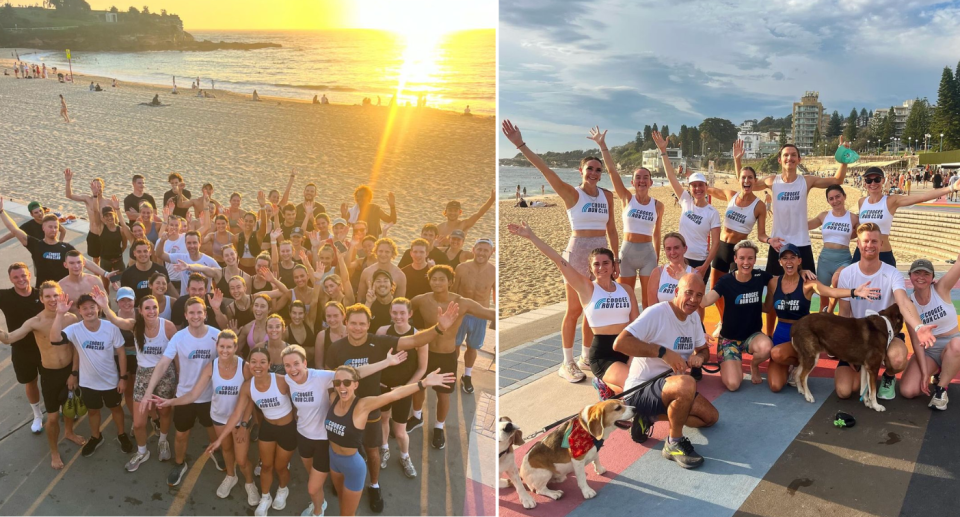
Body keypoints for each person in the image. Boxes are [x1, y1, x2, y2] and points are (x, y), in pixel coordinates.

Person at [502, 119, 618, 382]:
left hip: (600, 256)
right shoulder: (571, 194)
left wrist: (616, 257)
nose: (594, 173)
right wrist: (520, 144)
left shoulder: (607, 196)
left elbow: (612, 228)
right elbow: (545, 169)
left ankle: (586, 355)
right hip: (577, 254)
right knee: (575, 310)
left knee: (594, 307)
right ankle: (567, 363)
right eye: (590, 169)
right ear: (581, 171)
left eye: (598, 170)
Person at [326, 302, 458, 513]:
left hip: (371, 407)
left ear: (369, 324)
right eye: (353, 323)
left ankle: (375, 484)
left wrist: (438, 328)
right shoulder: (336, 348)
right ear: (346, 323)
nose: (357, 328)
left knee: (372, 450)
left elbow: (414, 340)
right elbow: (329, 378)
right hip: (343, 411)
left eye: (362, 323)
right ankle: (341, 480)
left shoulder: (378, 342)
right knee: (342, 450)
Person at [510, 222, 637, 397]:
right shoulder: (587, 288)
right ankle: (607, 383)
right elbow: (558, 260)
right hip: (604, 355)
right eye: (596, 264)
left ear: (614, 266)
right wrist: (532, 237)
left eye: (606, 263)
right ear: (590, 269)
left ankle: (607, 388)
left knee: (644, 386)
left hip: (628, 347)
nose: (601, 268)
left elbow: (636, 326)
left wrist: (633, 356)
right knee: (634, 384)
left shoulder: (626, 290)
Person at [612, 273, 719, 469]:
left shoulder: (693, 317)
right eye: (688, 293)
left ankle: (646, 416)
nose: (693, 299)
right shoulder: (657, 313)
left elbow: (704, 350)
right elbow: (620, 343)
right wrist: (662, 352)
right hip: (642, 389)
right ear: (676, 292)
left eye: (698, 295)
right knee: (687, 383)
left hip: (673, 390)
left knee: (710, 418)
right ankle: (674, 443)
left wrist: (700, 357)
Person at [283, 343, 403, 517]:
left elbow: (355, 373)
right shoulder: (287, 379)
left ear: (305, 363)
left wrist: (386, 362)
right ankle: (320, 502)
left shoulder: (320, 377)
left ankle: (318, 511)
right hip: (303, 436)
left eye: (296, 363)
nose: (292, 369)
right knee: (313, 480)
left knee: (313, 487)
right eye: (287, 365)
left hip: (323, 439)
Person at [327, 365, 454, 516]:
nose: (342, 387)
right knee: (342, 500)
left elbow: (394, 395)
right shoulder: (333, 398)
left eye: (347, 382)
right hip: (333, 460)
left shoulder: (362, 405)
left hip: (352, 466)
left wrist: (423, 383)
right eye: (337, 383)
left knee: (347, 514)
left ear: (356, 384)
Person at [153, 330, 258, 504]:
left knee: (242, 459)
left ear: (235, 347)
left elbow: (250, 398)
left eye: (229, 347)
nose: (225, 350)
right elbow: (193, 395)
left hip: (239, 420)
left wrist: (245, 423)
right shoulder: (211, 366)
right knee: (226, 450)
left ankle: (249, 483)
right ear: (216, 347)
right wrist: (170, 402)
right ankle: (231, 476)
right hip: (218, 417)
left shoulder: (244, 367)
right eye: (222, 346)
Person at [834, 223, 935, 400]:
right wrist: (845, 347)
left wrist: (918, 326)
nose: (870, 245)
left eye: (874, 241)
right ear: (858, 243)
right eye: (866, 241)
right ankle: (862, 367)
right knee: (845, 391)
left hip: (887, 335)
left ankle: (889, 376)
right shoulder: (847, 274)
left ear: (881, 244)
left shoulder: (892, 273)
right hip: (858, 336)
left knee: (897, 360)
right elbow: (843, 314)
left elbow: (903, 302)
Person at [765, 244, 881, 393]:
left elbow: (830, 292)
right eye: (785, 258)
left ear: (799, 261)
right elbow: (765, 306)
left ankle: (802, 363)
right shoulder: (773, 283)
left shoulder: (808, 283)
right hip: (780, 334)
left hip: (801, 335)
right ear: (780, 261)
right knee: (776, 385)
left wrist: (854, 292)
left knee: (776, 353)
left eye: (793, 258)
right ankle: (794, 364)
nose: (789, 262)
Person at [140, 297, 226, 487]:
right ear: (186, 315)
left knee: (212, 430)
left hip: (210, 396)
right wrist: (148, 391)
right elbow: (163, 363)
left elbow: (229, 362)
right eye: (191, 313)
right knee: (180, 435)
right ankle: (179, 464)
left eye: (199, 312)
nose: (196, 316)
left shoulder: (216, 335)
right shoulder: (179, 337)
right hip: (184, 396)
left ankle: (216, 453)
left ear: (205, 314)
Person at [0, 281, 87, 469]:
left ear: (61, 295)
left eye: (55, 295)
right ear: (41, 299)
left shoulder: (71, 318)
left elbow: (77, 348)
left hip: (70, 371)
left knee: (69, 407)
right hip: (49, 374)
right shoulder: (35, 322)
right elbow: (10, 338)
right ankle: (54, 452)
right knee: (53, 418)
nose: (52, 299)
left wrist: (74, 373)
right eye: (47, 296)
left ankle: (69, 432)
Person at [407, 266, 495, 449]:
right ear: (429, 281)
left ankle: (439, 427)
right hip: (424, 353)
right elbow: (401, 310)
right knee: (418, 387)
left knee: (444, 395)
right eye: (434, 279)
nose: (437, 282)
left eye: (442, 279)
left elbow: (488, 313)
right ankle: (416, 417)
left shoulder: (462, 303)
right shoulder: (421, 300)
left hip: (446, 356)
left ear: (450, 281)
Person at [94, 290, 178, 470]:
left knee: (164, 413)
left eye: (154, 307)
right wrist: (105, 306)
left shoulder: (168, 327)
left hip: (166, 375)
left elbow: (177, 354)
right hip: (143, 375)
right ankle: (142, 451)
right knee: (139, 422)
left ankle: (163, 440)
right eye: (147, 308)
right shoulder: (135, 325)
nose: (152, 311)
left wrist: (180, 379)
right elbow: (117, 321)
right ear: (140, 310)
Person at [204, 346, 292, 516]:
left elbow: (303, 390)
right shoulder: (247, 387)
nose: (257, 365)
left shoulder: (282, 380)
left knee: (280, 467)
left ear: (269, 364)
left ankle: (282, 490)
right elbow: (237, 414)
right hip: (267, 429)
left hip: (287, 430)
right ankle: (265, 497)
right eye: (253, 362)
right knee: (266, 466)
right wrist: (219, 439)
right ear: (249, 364)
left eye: (262, 362)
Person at [50, 292, 134, 458]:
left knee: (116, 409)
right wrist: (59, 313)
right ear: (79, 311)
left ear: (98, 309)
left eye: (92, 307)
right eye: (85, 308)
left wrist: (123, 378)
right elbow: (54, 339)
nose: (89, 311)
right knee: (93, 411)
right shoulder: (75, 329)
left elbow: (121, 353)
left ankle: (121, 434)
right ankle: (96, 437)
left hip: (111, 381)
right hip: (88, 383)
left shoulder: (110, 327)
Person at [753, 138, 851, 276]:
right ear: (779, 160)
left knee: (807, 285)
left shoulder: (806, 181)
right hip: (778, 243)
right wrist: (737, 160)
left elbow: (837, 180)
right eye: (786, 155)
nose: (790, 158)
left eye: (793, 155)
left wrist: (843, 158)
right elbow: (747, 183)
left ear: (799, 159)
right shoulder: (772, 180)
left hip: (802, 242)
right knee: (773, 285)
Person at [597, 127, 663, 308]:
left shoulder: (658, 205)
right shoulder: (627, 198)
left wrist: (656, 258)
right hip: (627, 253)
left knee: (649, 299)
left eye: (645, 178)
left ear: (651, 182)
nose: (642, 181)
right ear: (632, 182)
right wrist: (603, 146)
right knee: (626, 297)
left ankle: (647, 334)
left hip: (648, 253)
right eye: (638, 178)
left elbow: (657, 233)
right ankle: (628, 332)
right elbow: (611, 172)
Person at [699, 241, 775, 391]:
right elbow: (705, 301)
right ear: (735, 259)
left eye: (750, 258)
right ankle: (730, 361)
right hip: (729, 339)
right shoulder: (726, 281)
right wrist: (687, 283)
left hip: (752, 336)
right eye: (742, 258)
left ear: (755, 259)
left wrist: (802, 272)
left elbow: (782, 281)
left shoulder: (760, 276)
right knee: (733, 384)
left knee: (767, 347)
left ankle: (754, 365)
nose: (746, 262)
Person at [706, 140, 770, 311]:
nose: (747, 180)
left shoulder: (759, 206)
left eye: (750, 178)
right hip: (721, 247)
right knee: (716, 290)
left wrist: (770, 240)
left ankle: (737, 321)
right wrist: (693, 186)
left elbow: (761, 234)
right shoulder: (731, 195)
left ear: (755, 181)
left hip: (739, 250)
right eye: (744, 178)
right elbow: (708, 190)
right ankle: (723, 322)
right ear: (739, 180)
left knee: (737, 291)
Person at [853, 166, 959, 266]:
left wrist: (951, 188)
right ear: (865, 182)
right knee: (855, 284)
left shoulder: (891, 201)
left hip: (883, 253)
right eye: (869, 180)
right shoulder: (862, 202)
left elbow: (922, 197)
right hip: (862, 252)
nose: (873, 183)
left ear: (883, 180)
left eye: (877, 179)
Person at [655, 130, 720, 283]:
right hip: (682, 259)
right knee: (679, 298)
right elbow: (671, 176)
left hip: (700, 261)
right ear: (689, 188)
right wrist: (663, 151)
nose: (697, 189)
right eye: (694, 186)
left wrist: (705, 266)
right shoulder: (685, 200)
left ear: (706, 187)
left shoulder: (712, 212)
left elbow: (716, 243)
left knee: (698, 302)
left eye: (700, 185)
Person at [0, 199, 110, 286]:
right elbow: (14, 229)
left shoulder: (66, 248)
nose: (53, 230)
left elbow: (85, 261)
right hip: (44, 292)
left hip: (63, 291)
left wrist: (105, 274)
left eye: (55, 227)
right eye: (50, 227)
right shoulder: (36, 245)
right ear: (43, 227)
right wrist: (1, 211)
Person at [375, 298, 426, 478]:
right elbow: (376, 359)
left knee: (400, 431)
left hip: (403, 390)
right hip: (383, 387)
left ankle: (405, 457)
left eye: (402, 313)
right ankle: (384, 449)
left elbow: (422, 368)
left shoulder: (419, 337)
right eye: (394, 312)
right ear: (390, 312)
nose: (398, 317)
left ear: (410, 314)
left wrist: (405, 388)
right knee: (383, 419)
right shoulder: (382, 331)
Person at [900, 257, 960, 410]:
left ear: (933, 277)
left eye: (926, 274)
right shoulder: (909, 303)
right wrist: (925, 373)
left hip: (952, 344)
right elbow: (915, 341)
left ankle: (941, 389)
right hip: (929, 350)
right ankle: (938, 371)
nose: (921, 277)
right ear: (910, 276)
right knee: (908, 390)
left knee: (957, 345)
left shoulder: (941, 288)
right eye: (917, 273)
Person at [0, 264, 46, 434]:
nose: (20, 280)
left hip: (45, 347)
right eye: (16, 277)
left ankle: (59, 408)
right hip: (21, 349)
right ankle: (37, 415)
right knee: (31, 382)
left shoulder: (40, 294)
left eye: (23, 276)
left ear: (29, 275)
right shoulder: (5, 296)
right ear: (11, 279)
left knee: (51, 382)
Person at [452, 238, 495, 393]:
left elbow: (497, 297)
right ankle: (452, 372)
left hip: (480, 315)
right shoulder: (461, 268)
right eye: (479, 249)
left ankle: (467, 375)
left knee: (472, 346)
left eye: (486, 250)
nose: (482, 253)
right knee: (454, 344)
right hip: (461, 313)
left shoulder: (494, 271)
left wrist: (495, 319)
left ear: (492, 252)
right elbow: (454, 292)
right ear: (473, 249)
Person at [808, 185, 858, 313]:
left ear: (844, 196)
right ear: (828, 201)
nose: (835, 201)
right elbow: (806, 225)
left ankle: (829, 313)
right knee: (823, 299)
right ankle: (823, 319)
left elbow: (860, 233)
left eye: (838, 197)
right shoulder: (824, 216)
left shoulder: (853, 218)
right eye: (831, 199)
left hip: (843, 259)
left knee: (837, 280)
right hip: (825, 259)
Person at [647, 232, 695, 304]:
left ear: (685, 249)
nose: (672, 252)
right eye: (668, 249)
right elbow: (652, 307)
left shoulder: (694, 274)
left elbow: (699, 308)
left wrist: (686, 279)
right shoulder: (657, 273)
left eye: (676, 248)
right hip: (662, 315)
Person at [0, 198, 66, 245]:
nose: (40, 213)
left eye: (40, 211)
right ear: (32, 214)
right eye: (36, 212)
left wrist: (60, 243)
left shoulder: (50, 220)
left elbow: (63, 231)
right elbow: (13, 233)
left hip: (53, 248)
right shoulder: (28, 225)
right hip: (39, 252)